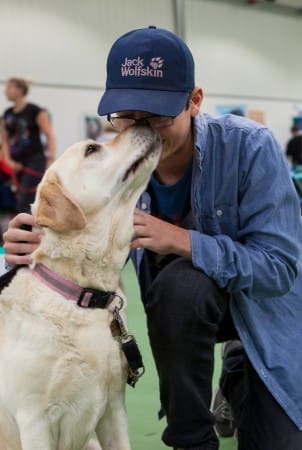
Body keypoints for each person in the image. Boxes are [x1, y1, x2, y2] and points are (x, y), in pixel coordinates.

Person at [3, 26, 302, 450]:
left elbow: (280, 270)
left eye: (159, 116)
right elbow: (81, 256)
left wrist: (185, 241)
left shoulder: (251, 147)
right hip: (185, 311)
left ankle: (239, 367)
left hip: (262, 315)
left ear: (194, 101)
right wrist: (25, 247)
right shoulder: (114, 172)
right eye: (127, 116)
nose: (141, 131)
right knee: (181, 289)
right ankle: (191, 438)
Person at [1, 77, 56, 213]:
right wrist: (8, 161)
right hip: (16, 163)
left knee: (25, 202)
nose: (5, 91)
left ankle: (25, 232)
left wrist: (50, 158)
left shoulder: (35, 111)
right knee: (20, 200)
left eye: (9, 88)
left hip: (34, 161)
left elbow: (49, 135)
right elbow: (5, 141)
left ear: (19, 90)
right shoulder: (7, 115)